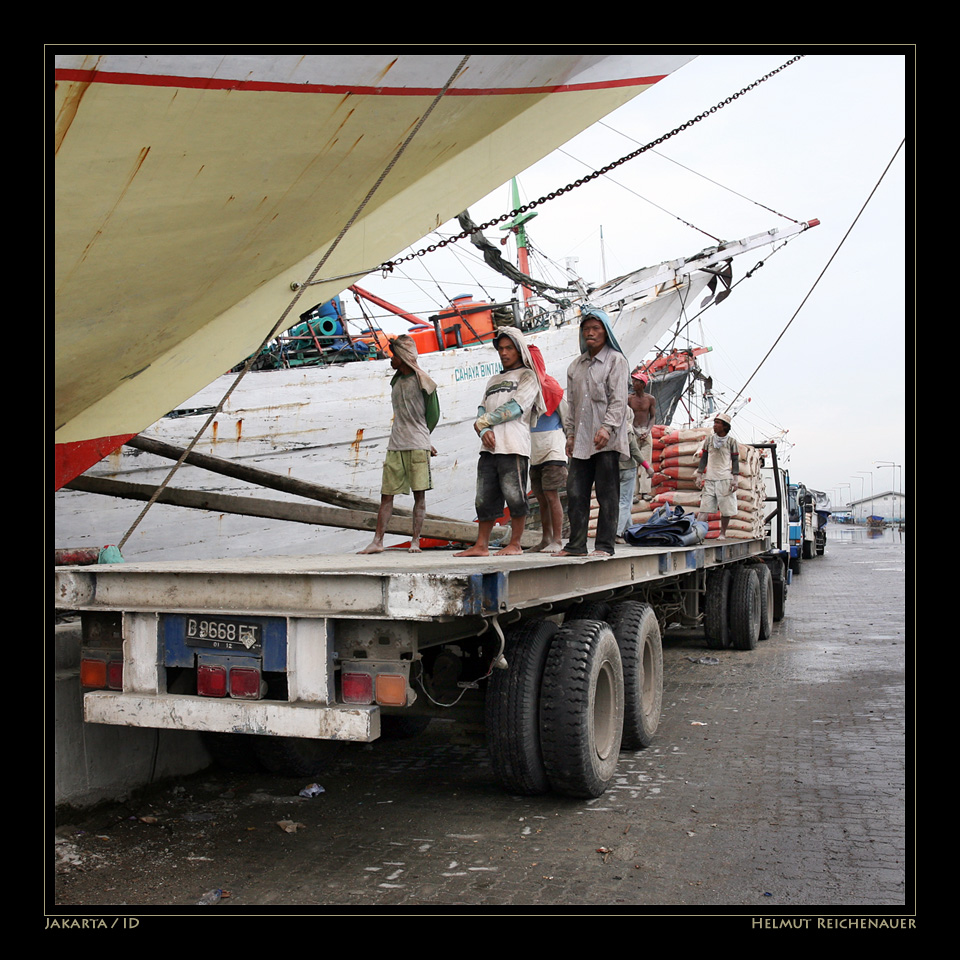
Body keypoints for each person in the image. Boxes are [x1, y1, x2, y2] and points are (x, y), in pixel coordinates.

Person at [455, 327, 544, 557]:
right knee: (484, 498)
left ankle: (515, 544)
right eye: (501, 349)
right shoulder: (493, 379)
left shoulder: (528, 376)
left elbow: (516, 407)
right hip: (489, 448)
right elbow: (482, 407)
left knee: (515, 496)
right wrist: (482, 428)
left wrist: (484, 421)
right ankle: (481, 545)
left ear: (519, 350)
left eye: (509, 348)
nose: (504, 353)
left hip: (513, 445)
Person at [554, 309, 628, 557]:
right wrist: (570, 435)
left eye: (596, 328)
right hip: (582, 442)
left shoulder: (616, 361)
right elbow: (572, 406)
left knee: (607, 494)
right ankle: (575, 545)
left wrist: (607, 428)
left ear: (605, 332)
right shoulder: (575, 366)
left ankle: (605, 546)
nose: (591, 333)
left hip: (606, 441)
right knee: (576, 492)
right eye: (586, 329)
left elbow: (618, 401)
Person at [358, 334, 439, 554]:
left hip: (416, 444)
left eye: (394, 355)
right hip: (396, 443)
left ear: (402, 357)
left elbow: (433, 415)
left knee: (419, 494)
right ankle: (378, 541)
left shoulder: (425, 382)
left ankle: (415, 541)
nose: (391, 359)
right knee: (387, 495)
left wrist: (424, 439)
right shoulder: (396, 380)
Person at [527, 344, 568, 553]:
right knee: (541, 497)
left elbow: (567, 418)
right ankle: (545, 538)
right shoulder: (524, 389)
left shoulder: (551, 387)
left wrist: (570, 441)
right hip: (534, 451)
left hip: (553, 448)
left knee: (552, 495)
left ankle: (557, 540)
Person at [695, 411, 740, 538]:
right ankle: (697, 534)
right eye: (714, 423)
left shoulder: (731, 442)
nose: (715, 425)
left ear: (725, 426)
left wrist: (735, 479)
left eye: (718, 423)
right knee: (704, 508)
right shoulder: (709, 440)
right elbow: (704, 458)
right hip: (710, 478)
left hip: (725, 479)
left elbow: (735, 460)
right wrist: (699, 475)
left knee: (726, 509)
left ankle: (722, 533)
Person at [628, 368, 657, 499]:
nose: (633, 384)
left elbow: (653, 417)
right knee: (633, 462)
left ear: (642, 384)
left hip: (645, 431)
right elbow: (626, 417)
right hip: (633, 432)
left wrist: (648, 430)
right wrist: (634, 431)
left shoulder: (650, 399)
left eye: (636, 382)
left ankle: (645, 491)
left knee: (646, 461)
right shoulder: (629, 399)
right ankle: (634, 492)